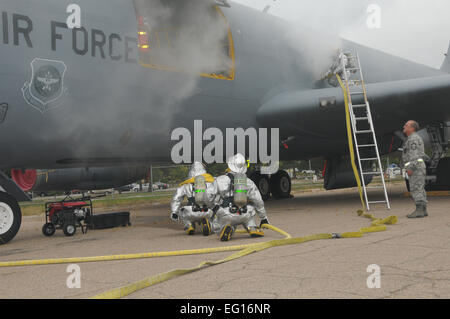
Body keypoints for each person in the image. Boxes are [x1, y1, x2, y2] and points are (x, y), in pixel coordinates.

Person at [211, 153, 269, 241]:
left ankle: (228, 228)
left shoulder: (220, 180)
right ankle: (252, 228)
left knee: (217, 225)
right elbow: (258, 200)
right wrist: (263, 218)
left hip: (226, 213)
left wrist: (214, 208)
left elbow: (207, 196)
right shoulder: (248, 181)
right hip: (245, 213)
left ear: (230, 166)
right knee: (248, 217)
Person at [170, 162, 216, 235]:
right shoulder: (210, 183)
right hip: (207, 211)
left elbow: (176, 198)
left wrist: (174, 212)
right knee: (215, 218)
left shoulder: (185, 185)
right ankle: (209, 224)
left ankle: (189, 225)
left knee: (181, 211)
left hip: (191, 211)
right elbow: (215, 196)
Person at [402, 120, 428, 218]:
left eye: (406, 125)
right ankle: (423, 210)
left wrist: (410, 168)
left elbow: (415, 156)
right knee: (420, 188)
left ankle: (420, 210)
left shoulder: (413, 139)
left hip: (415, 168)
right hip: (418, 167)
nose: (404, 126)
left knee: (416, 188)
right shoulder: (412, 138)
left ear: (412, 128)